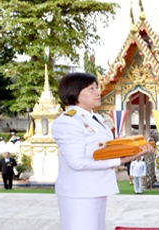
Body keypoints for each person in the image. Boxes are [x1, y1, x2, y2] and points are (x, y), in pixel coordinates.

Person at [51, 72, 153, 230]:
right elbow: (77, 163)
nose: (98, 92)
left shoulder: (95, 118)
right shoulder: (68, 121)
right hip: (79, 192)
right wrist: (121, 160)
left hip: (95, 188)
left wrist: (132, 149)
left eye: (97, 87)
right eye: (91, 89)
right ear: (74, 92)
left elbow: (105, 148)